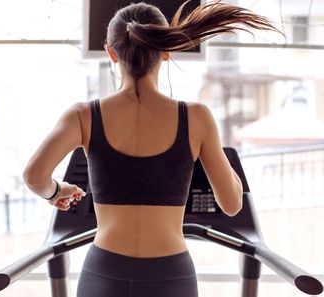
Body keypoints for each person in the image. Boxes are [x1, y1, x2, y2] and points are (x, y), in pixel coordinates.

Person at [23, 1, 281, 296]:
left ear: (111, 53)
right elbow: (232, 204)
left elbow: (34, 176)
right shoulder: (196, 118)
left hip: (104, 273)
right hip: (171, 276)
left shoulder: (83, 116)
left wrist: (57, 192)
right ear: (166, 51)